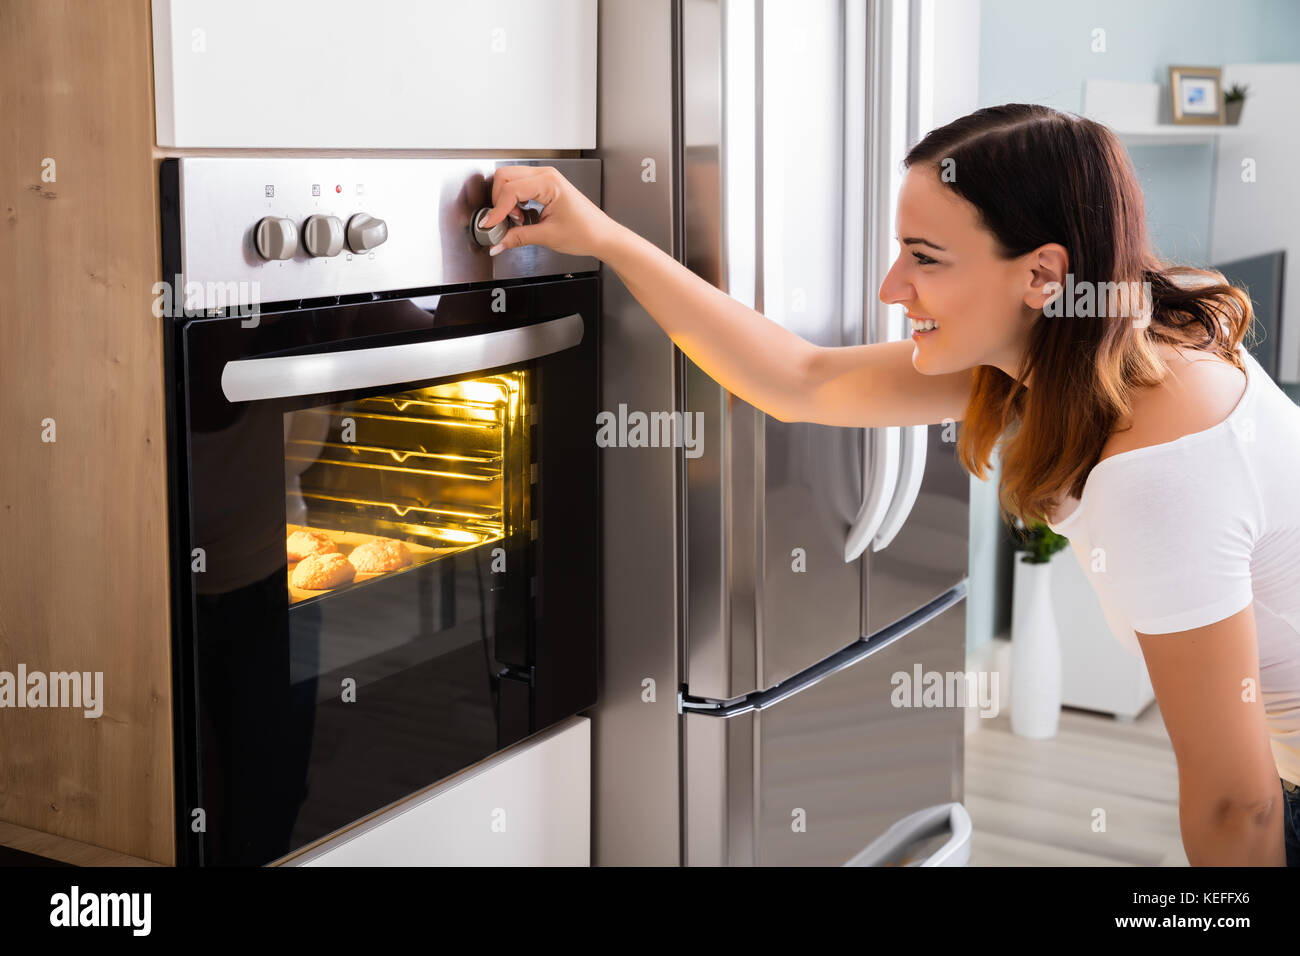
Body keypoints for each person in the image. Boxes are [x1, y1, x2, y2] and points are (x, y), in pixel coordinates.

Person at [476, 103, 1300, 867]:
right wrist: (606, 237)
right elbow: (799, 380)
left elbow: (1237, 807)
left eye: (926, 259)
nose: (890, 288)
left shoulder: (1154, 461)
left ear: (1042, 274)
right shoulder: (1079, 344)